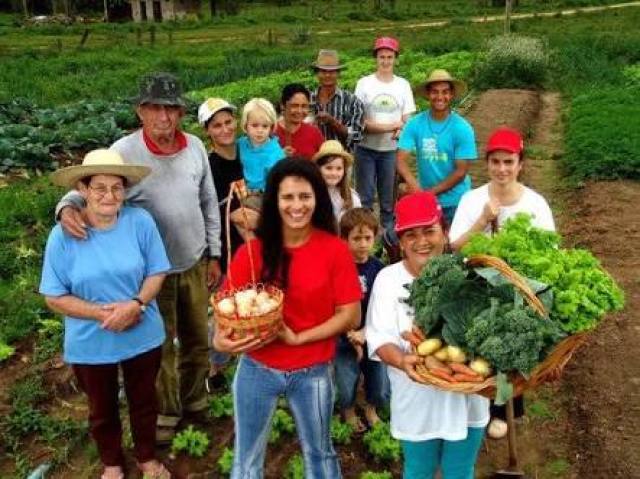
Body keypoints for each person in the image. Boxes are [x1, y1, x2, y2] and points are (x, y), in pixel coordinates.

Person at [56, 72, 222, 443]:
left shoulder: (195, 146)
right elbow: (91, 186)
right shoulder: (124, 153)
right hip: (150, 273)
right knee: (159, 345)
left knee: (196, 338)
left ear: (181, 114)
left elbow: (209, 201)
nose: (164, 117)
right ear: (140, 112)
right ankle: (167, 410)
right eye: (155, 109)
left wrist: (215, 252)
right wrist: (65, 206)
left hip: (194, 261)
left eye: (172, 109)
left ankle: (195, 399)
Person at [213, 158, 362, 478]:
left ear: (318, 199)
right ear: (275, 201)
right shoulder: (252, 253)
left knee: (320, 453)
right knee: (246, 457)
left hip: (314, 370)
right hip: (257, 367)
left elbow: (350, 314)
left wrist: (299, 337)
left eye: (305, 196)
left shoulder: (334, 251)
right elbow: (227, 309)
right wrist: (220, 338)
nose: (297, 206)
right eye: (288, 197)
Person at [40, 150, 172, 479]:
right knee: (101, 409)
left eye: (116, 188)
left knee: (144, 401)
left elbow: (157, 271)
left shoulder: (140, 221)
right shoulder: (63, 236)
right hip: (90, 340)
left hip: (142, 330)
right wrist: (103, 313)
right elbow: (54, 296)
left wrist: (136, 305)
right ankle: (112, 463)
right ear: (82, 190)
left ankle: (146, 458)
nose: (108, 196)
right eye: (99, 187)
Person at [366, 191, 488, 479]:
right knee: (418, 471)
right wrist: (402, 359)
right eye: (410, 235)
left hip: (468, 396)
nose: (421, 242)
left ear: (444, 233)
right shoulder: (389, 280)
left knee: (459, 471)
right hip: (417, 400)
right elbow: (380, 338)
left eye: (429, 231)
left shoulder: (469, 272)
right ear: (401, 242)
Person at [449, 127, 555, 439]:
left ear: (520, 163)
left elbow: (549, 254)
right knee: (479, 346)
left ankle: (508, 406)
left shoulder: (535, 204)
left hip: (522, 288)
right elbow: (454, 247)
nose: (502, 169)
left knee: (514, 345)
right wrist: (482, 221)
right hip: (477, 286)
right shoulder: (472, 200)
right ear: (488, 163)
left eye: (509, 162)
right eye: (495, 162)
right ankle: (481, 406)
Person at [198, 97, 246, 392]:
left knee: (251, 304)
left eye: (229, 122)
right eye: (217, 125)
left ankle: (248, 362)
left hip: (253, 243)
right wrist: (212, 256)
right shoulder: (208, 165)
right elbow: (205, 211)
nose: (225, 129)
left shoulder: (248, 153)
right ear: (208, 131)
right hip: (225, 246)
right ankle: (216, 367)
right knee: (224, 309)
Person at [354, 36, 416, 248]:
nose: (386, 61)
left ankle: (389, 241)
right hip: (365, 149)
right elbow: (361, 121)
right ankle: (366, 239)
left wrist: (401, 127)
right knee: (366, 198)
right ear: (376, 58)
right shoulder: (364, 84)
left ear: (395, 59)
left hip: (391, 151)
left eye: (390, 57)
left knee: (388, 201)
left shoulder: (403, 85)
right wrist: (392, 126)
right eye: (382, 57)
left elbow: (408, 119)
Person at [397, 69, 477, 227]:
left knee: (454, 246)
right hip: (427, 199)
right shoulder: (415, 123)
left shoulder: (462, 128)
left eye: (445, 92)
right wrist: (414, 185)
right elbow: (400, 160)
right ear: (428, 94)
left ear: (452, 94)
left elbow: (461, 172)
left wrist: (428, 193)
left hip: (456, 200)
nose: (440, 97)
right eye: (435, 92)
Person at [335, 208, 388, 432]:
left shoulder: (379, 270)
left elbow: (384, 308)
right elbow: (334, 308)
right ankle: (347, 409)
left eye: (368, 238)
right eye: (356, 238)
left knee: (380, 384)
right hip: (343, 338)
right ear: (344, 240)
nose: (363, 244)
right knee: (345, 383)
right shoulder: (337, 268)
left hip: (373, 334)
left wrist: (366, 332)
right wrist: (352, 336)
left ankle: (370, 407)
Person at [310, 49, 365, 151]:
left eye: (331, 71)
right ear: (317, 73)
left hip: (341, 160)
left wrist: (333, 122)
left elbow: (356, 136)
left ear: (338, 73)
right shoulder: (308, 99)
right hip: (312, 159)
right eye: (323, 71)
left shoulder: (352, 101)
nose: (327, 75)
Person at [237, 97, 285, 192]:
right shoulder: (240, 144)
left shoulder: (276, 153)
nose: (260, 130)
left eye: (265, 126)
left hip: (267, 195)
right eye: (255, 125)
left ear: (271, 127)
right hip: (241, 192)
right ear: (246, 125)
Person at [312, 139, 361, 222]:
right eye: (328, 168)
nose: (334, 173)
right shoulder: (311, 194)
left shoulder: (351, 196)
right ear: (318, 168)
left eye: (339, 169)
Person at [275, 83, 325, 161]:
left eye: (304, 106)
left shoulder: (314, 133)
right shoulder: (271, 133)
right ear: (282, 105)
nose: (299, 111)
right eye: (294, 106)